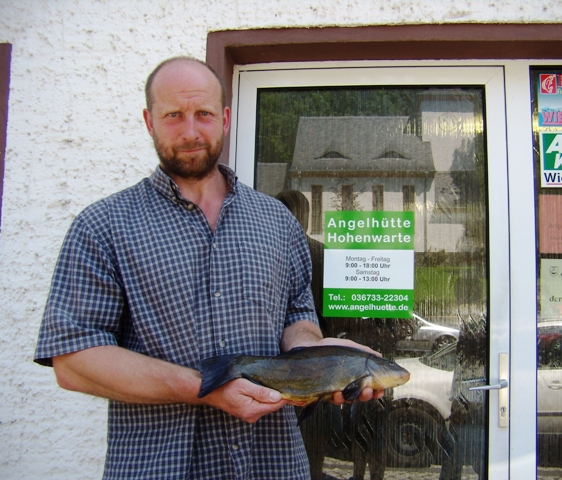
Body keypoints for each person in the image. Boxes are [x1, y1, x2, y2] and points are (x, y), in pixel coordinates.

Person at [34, 56, 383, 480]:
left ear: (226, 118)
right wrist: (207, 389)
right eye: (173, 116)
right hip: (158, 468)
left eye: (203, 114)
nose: (191, 131)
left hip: (271, 464)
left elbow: (297, 316)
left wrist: (328, 364)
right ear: (149, 121)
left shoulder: (276, 220)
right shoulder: (103, 226)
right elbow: (73, 361)